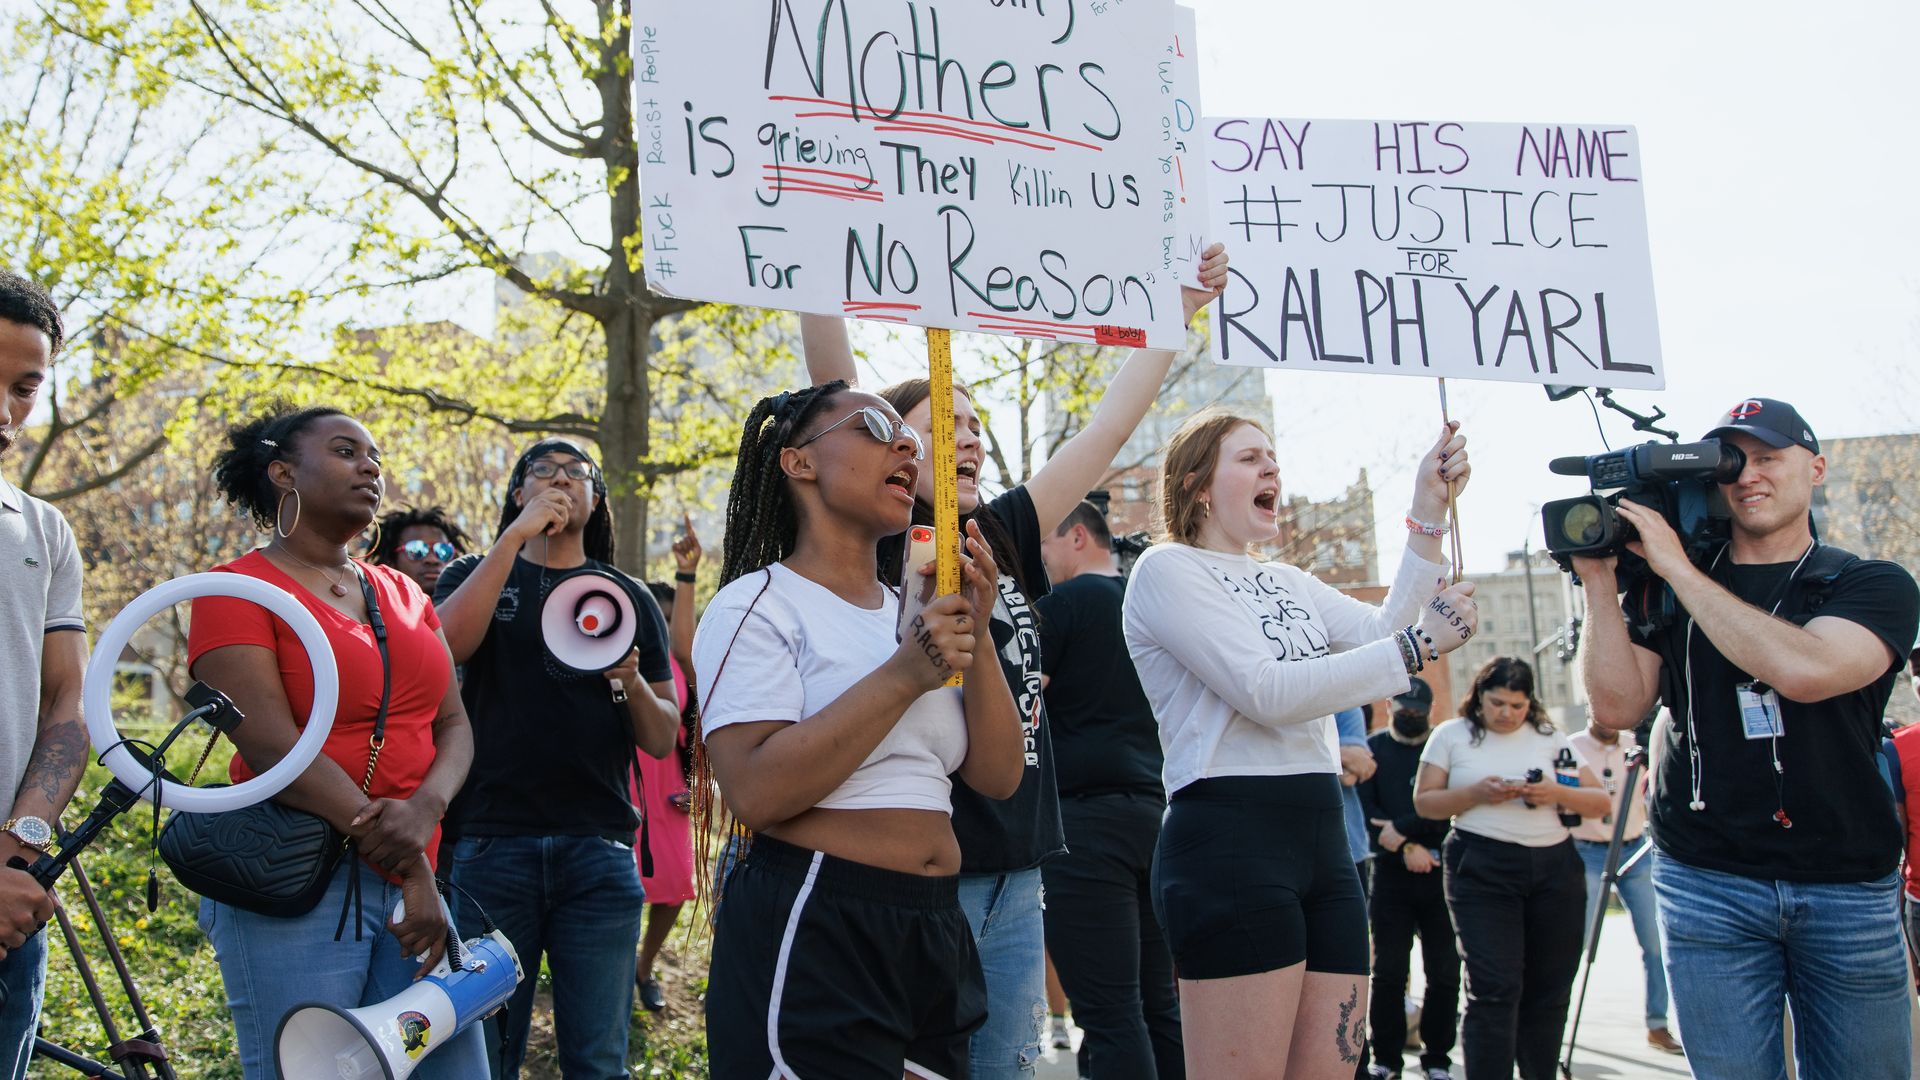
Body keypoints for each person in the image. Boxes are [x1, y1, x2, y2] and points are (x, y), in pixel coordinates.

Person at [800, 241, 1230, 1077]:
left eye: (974, 424)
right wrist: (810, 248)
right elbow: (832, 387)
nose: (965, 437)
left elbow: (1107, 431)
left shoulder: (997, 532)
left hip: (1020, 875)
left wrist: (1175, 313)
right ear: (885, 445)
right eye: (939, 425)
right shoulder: (865, 541)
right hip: (926, 873)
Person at [1124, 407, 1478, 1077]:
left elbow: (1383, 630)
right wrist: (1418, 645)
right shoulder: (1166, 570)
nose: (1272, 468)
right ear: (1200, 483)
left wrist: (1426, 508)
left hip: (1322, 841)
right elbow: (1267, 691)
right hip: (1229, 838)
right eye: (1250, 457)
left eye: (1273, 458)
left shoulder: (1289, 580)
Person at [1577, 397, 1920, 1080]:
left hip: (1846, 881)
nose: (1748, 476)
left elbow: (1806, 670)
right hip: (1708, 878)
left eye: (1767, 458)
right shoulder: (1663, 588)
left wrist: (1679, 568)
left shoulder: (1871, 584)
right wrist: (1599, 583)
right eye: (1732, 464)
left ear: (1816, 469)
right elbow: (1616, 707)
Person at [693, 382, 1023, 1078]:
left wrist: (977, 627)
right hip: (822, 919)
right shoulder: (755, 605)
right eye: (875, 426)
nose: (907, 443)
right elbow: (753, 790)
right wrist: (909, 672)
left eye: (907, 436)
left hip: (935, 929)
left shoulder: (909, 613)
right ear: (798, 463)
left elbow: (997, 776)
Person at [189, 402, 486, 1078]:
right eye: (347, 451)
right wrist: (409, 862)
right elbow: (273, 749)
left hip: (414, 880)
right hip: (300, 880)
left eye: (375, 455)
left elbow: (454, 724)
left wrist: (426, 812)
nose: (371, 466)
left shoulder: (404, 594)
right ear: (283, 473)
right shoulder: (234, 590)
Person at [435, 437, 683, 1078]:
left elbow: (660, 738)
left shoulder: (626, 596)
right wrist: (512, 542)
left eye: (578, 473)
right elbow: (447, 650)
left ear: (596, 499)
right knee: (485, 1055)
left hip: (598, 851)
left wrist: (627, 678)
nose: (560, 480)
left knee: (598, 1058)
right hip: (490, 844)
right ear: (517, 494)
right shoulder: (474, 573)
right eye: (541, 471)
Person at [1033, 499, 1182, 1080]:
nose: (1040, 559)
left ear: (1076, 538)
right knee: (1158, 1007)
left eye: (1045, 544)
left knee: (1110, 1015)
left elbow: (1022, 704)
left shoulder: (1063, 605)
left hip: (1086, 828)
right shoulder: (1150, 612)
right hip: (1155, 816)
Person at [1413, 657, 1611, 1080]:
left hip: (1554, 867)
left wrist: (1553, 791)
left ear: (1530, 704)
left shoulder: (1549, 736)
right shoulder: (1453, 735)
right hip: (1481, 865)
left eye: (1516, 706)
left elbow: (1599, 801)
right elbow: (1424, 803)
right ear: (1478, 695)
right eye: (1497, 702)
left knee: (1552, 988)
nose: (1506, 713)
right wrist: (1476, 793)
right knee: (1494, 988)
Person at [0, 270, 80, 1077]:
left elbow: (66, 703)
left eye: (24, 388)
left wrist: (21, 848)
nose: (4, 413)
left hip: (12, 905)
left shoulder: (45, 531)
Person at [1357, 678, 1459, 1080]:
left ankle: (1437, 1059)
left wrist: (1402, 827)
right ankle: (1387, 1059)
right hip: (1390, 877)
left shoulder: (1443, 749)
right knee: (1388, 973)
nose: (1412, 716)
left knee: (1445, 971)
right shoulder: (1374, 750)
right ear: (1390, 705)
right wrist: (1405, 846)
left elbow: (1450, 809)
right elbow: (1367, 818)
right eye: (1405, 709)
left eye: (1419, 710)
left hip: (1441, 875)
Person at [1565, 717, 1681, 1055]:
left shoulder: (1636, 744)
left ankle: (1657, 1024)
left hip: (1633, 849)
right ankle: (1555, 1019)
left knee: (1654, 943)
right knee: (1575, 943)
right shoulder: (1571, 747)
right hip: (1587, 850)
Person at [631, 514, 704, 1014]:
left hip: (668, 786)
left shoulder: (683, 663)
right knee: (617, 887)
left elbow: (682, 640)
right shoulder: (613, 655)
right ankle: (613, 971)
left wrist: (686, 575)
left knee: (674, 885)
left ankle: (643, 965)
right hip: (620, 782)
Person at [368, 505, 470, 596]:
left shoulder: (476, 610)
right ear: (390, 561)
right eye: (416, 550)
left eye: (443, 551)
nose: (432, 559)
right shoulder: (368, 611)